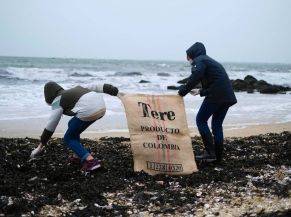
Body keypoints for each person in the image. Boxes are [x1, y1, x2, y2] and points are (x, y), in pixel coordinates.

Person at [30, 81, 122, 172]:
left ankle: (91, 161)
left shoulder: (57, 101)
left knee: (68, 138)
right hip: (101, 106)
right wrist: (113, 90)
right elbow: (96, 86)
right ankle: (77, 156)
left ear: (49, 97)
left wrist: (40, 145)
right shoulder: (78, 87)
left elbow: (51, 125)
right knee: (71, 124)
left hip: (89, 111)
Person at [178, 42, 237, 162]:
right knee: (216, 125)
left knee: (201, 120)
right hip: (227, 96)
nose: (188, 60)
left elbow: (196, 76)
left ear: (191, 55)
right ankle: (218, 156)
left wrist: (182, 91)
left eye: (188, 57)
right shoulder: (209, 61)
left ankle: (210, 153)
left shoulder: (199, 60)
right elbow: (216, 82)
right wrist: (200, 91)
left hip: (217, 96)